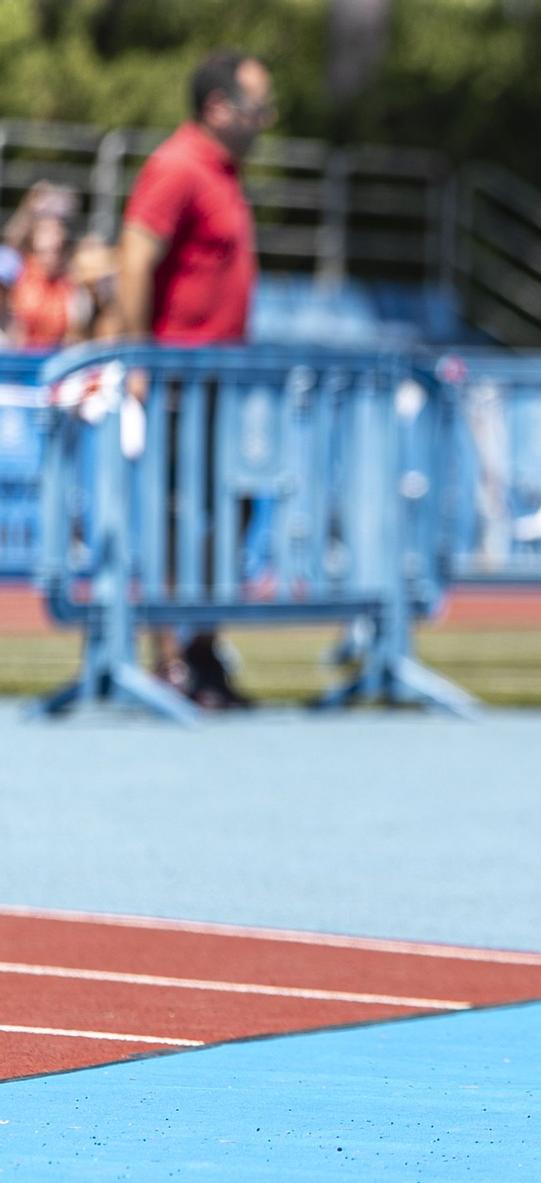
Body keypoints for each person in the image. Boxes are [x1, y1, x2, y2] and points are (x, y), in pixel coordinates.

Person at [115, 49, 274, 708]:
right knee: (173, 515)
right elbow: (134, 257)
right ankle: (169, 660)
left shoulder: (223, 174)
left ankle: (203, 647)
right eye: (256, 107)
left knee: (225, 513)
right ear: (217, 108)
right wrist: (138, 361)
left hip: (218, 380)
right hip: (177, 376)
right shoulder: (178, 166)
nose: (265, 120)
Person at [3, 185, 101, 349]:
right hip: (17, 358)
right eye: (45, 249)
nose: (53, 246)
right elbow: (11, 242)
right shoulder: (18, 268)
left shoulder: (72, 283)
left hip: (55, 360)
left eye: (57, 249)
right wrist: (27, 209)